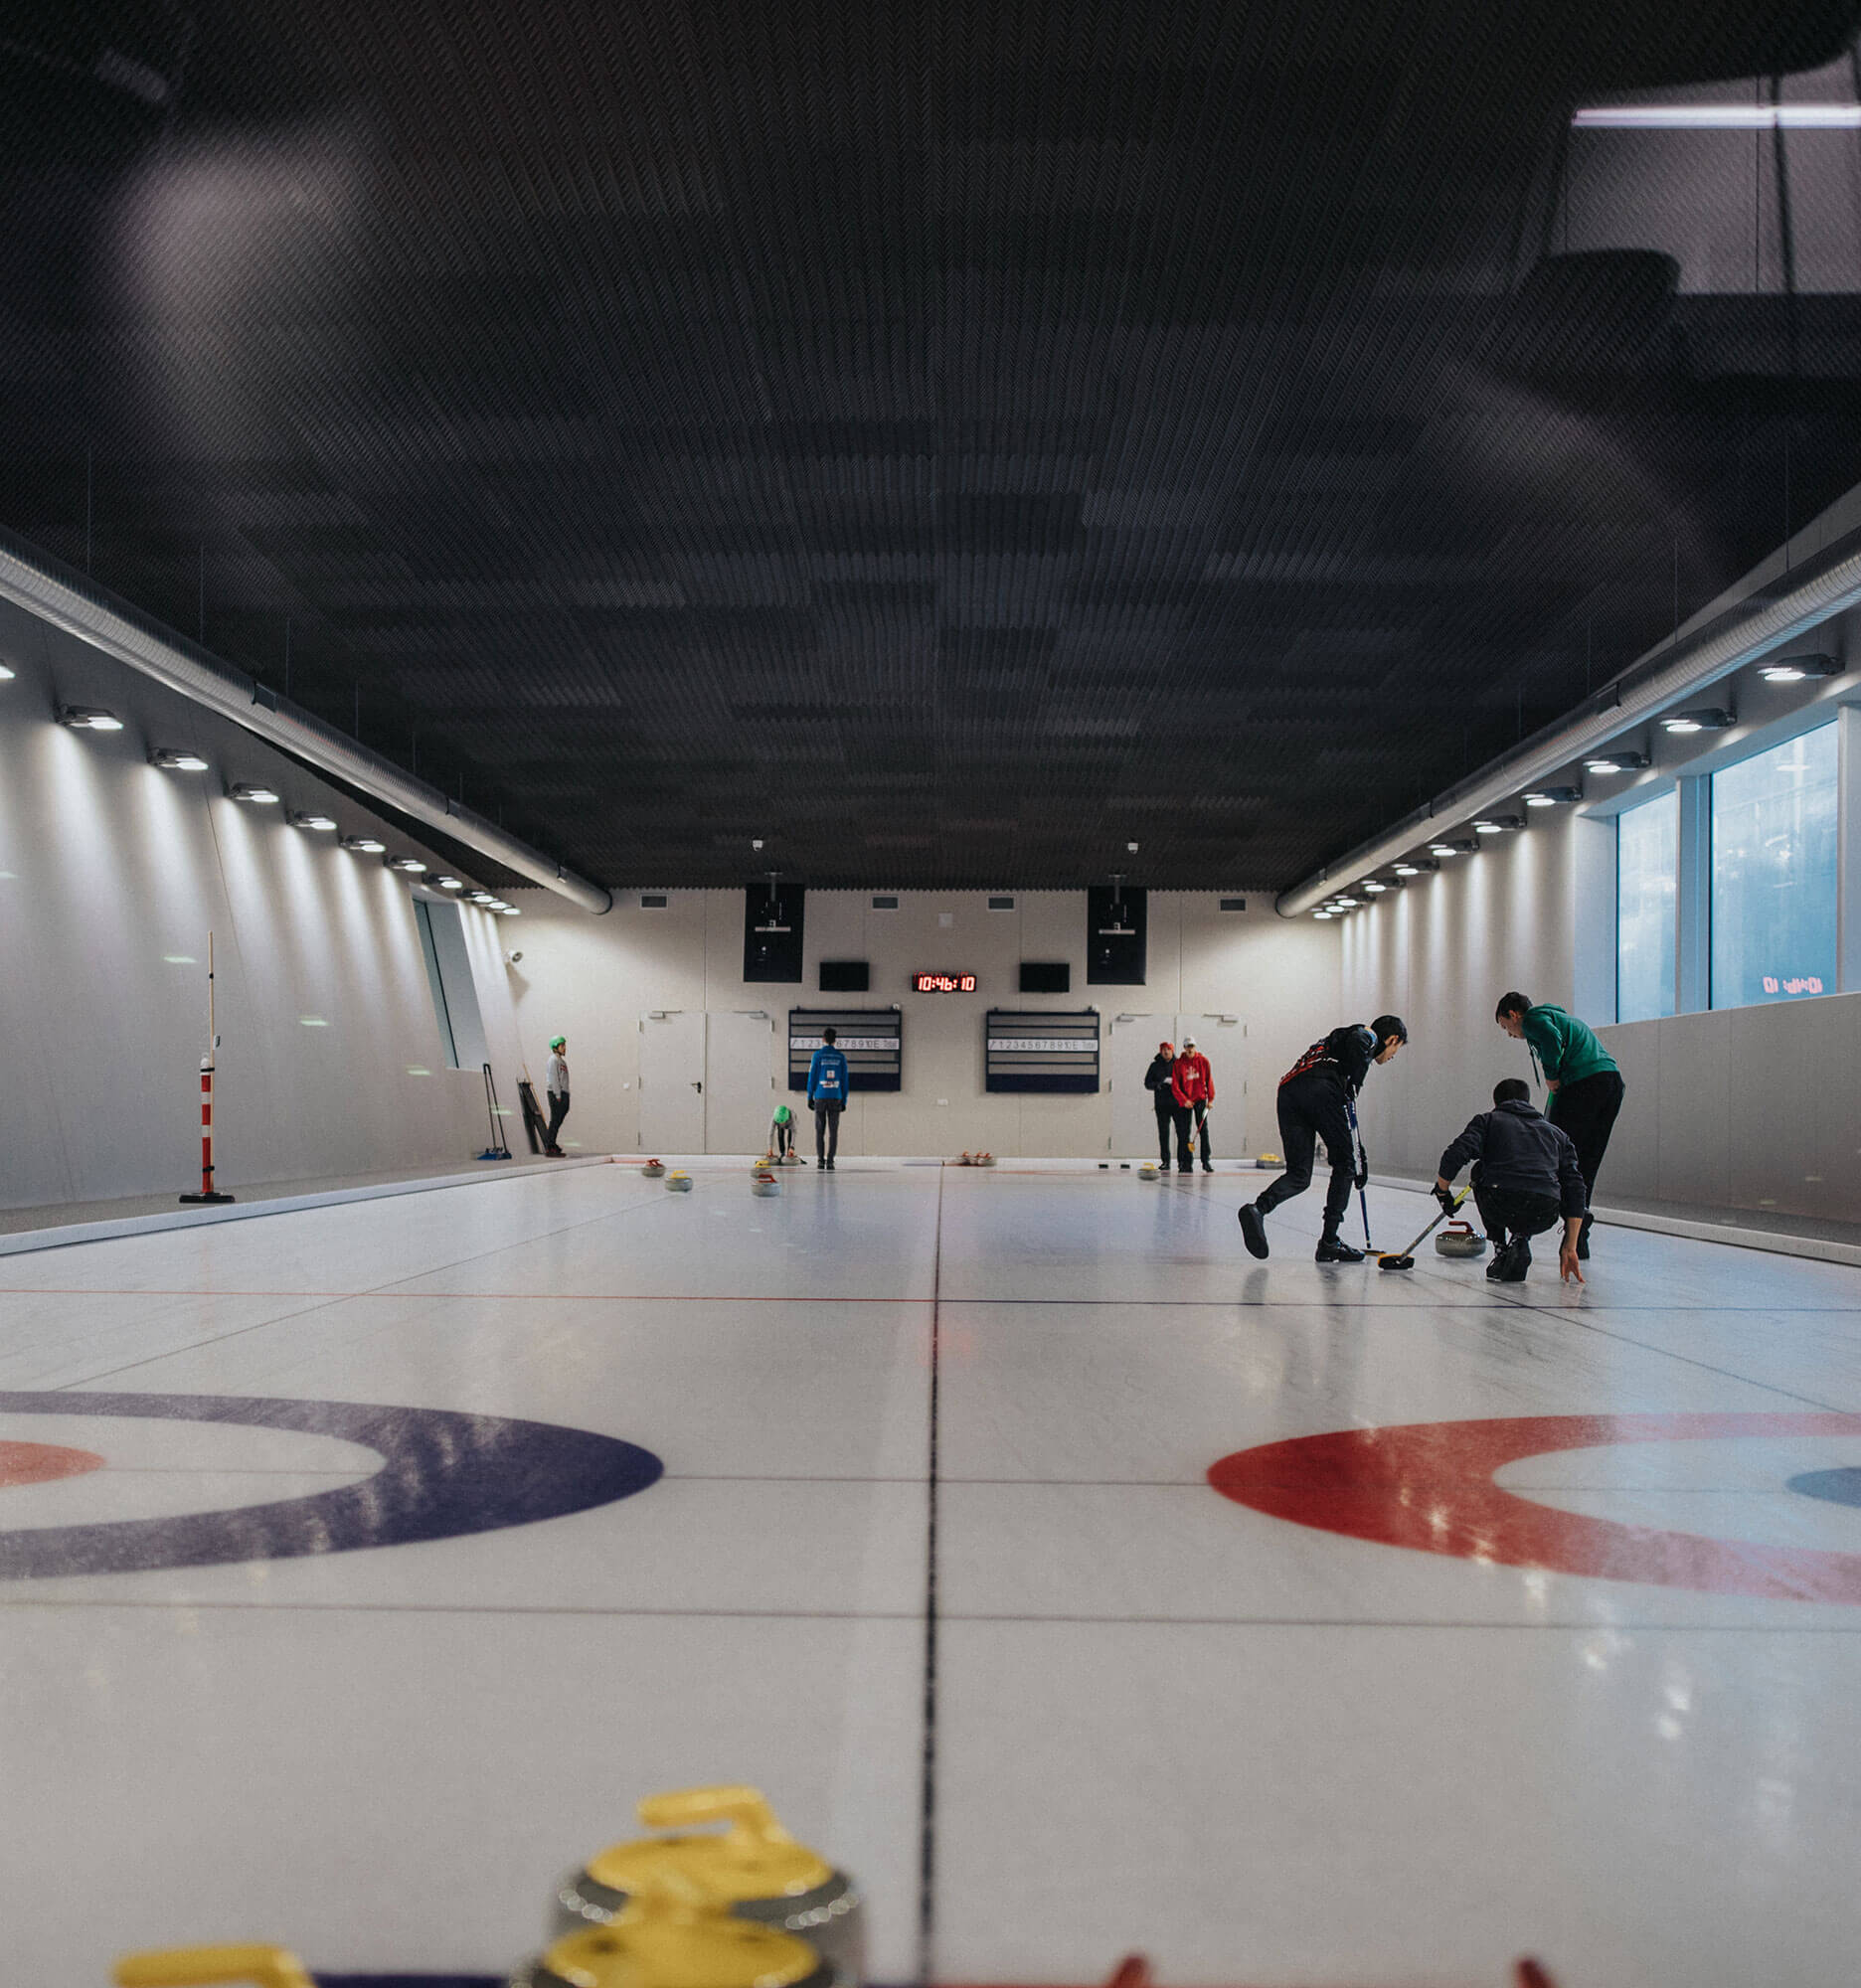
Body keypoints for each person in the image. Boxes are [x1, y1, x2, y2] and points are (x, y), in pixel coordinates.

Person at [1237, 1015, 1408, 1262]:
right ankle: (1329, 1241)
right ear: (1392, 1039)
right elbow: (1361, 1039)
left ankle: (1257, 1209)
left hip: (1289, 1090)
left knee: (1299, 1175)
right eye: (1396, 1049)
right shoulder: (1367, 1037)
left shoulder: (1338, 1042)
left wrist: (1358, 1152)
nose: (1392, 1056)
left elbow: (1346, 1110)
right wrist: (1355, 1083)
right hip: (1319, 1087)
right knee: (1345, 1165)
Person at [1494, 991, 1624, 1259]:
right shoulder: (1560, 1018)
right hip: (1611, 1084)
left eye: (1506, 1027)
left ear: (1514, 1015)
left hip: (1584, 1083)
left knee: (1559, 1156)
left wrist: (1551, 1075)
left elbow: (1550, 1039)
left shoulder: (1534, 1019)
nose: (1510, 1035)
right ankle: (1579, 1233)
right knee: (1585, 1162)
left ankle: (1534, 1229)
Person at [1436, 1077, 1586, 1284]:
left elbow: (1455, 1154)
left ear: (1496, 1102)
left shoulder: (1488, 1121)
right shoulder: (1557, 1134)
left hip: (1499, 1202)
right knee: (1543, 1188)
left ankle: (1500, 1249)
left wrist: (1443, 1192)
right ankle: (1520, 1238)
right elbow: (1576, 1187)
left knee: (1480, 1170)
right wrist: (1570, 1245)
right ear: (1527, 1101)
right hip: (1545, 1209)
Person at [806, 1025, 849, 1170]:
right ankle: (830, 1161)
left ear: (823, 1039)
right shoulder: (841, 1057)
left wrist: (809, 1096)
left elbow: (812, 1077)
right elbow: (844, 1080)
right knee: (833, 1131)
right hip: (836, 1097)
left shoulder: (817, 1056)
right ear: (835, 1040)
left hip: (820, 1096)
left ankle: (820, 1160)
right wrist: (844, 1100)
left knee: (820, 1131)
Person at [1171, 1034, 1215, 1173]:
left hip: (1200, 1100)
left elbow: (1209, 1080)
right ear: (1184, 1048)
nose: (1189, 1049)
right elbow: (1175, 1086)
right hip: (1185, 1102)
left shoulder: (1203, 1061)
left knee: (1203, 1131)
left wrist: (1210, 1099)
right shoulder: (1178, 1064)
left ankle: (1205, 1161)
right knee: (1184, 1132)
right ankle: (1185, 1163)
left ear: (1195, 1047)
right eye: (1187, 1046)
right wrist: (1184, 1101)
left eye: (1191, 1046)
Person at [1143, 1040, 1178, 1167]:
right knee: (1163, 1133)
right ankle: (1165, 1161)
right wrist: (1159, 1085)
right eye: (1163, 1049)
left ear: (1172, 1051)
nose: (1166, 1052)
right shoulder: (1154, 1066)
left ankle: (1183, 1162)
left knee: (1182, 1134)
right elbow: (1147, 1083)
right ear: (1160, 1051)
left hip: (1177, 1104)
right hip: (1162, 1104)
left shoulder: (1179, 1064)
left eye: (1168, 1049)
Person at [544, 1035, 571, 1156]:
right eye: (562, 1046)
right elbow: (553, 1078)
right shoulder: (553, 1060)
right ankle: (550, 1147)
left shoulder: (562, 1061)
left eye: (564, 1045)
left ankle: (552, 1143)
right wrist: (558, 1095)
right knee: (555, 1120)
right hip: (556, 1093)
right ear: (555, 1047)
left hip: (563, 1093)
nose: (564, 1048)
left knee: (558, 1121)